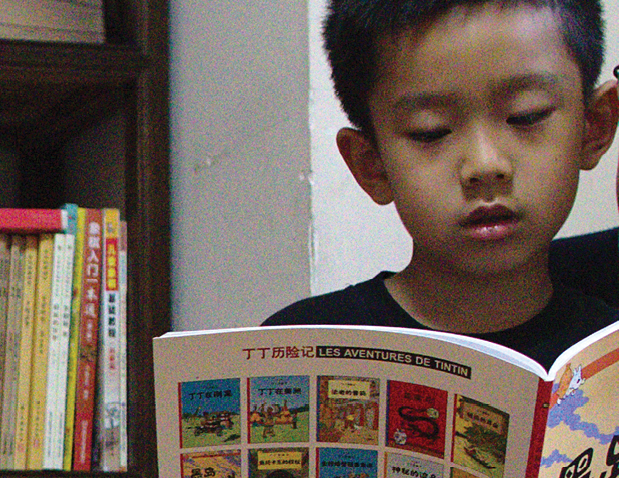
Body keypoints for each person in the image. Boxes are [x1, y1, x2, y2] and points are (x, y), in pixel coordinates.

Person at [263, 0, 619, 368]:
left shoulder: (610, 352)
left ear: (594, 127)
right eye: (430, 132)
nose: (484, 165)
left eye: (526, 116)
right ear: (371, 166)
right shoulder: (298, 352)